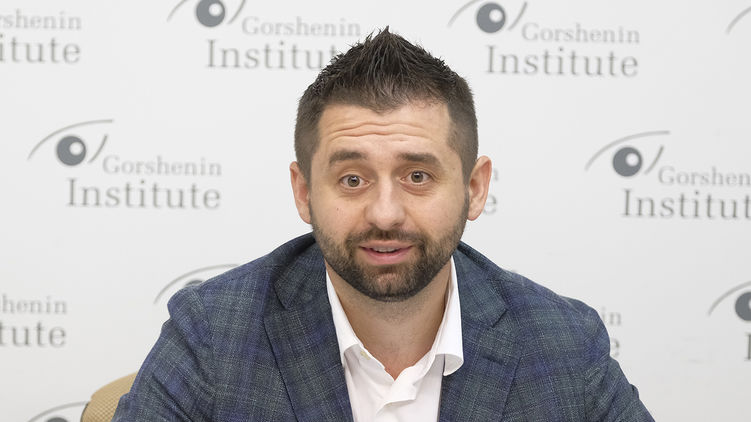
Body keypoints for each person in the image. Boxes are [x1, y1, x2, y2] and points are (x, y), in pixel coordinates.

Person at [113, 28, 654, 421]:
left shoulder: (563, 345)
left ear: (474, 188)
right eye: (352, 179)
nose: (385, 213)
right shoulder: (214, 334)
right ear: (304, 192)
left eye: (418, 176)